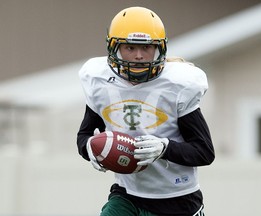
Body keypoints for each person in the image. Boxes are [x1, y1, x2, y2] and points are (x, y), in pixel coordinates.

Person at [77, 6, 215, 216]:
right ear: (114, 48)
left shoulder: (178, 85)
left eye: (146, 47)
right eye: (130, 48)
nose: (139, 56)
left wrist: (164, 148)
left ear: (159, 49)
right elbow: (84, 136)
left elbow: (204, 152)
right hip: (127, 194)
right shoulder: (99, 81)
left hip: (176, 200)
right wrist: (90, 149)